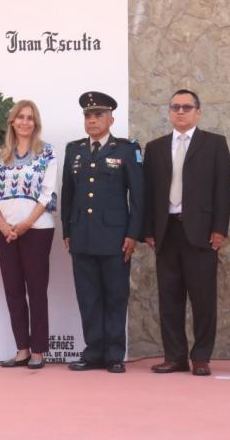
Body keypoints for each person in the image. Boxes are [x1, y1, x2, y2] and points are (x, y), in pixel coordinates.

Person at [142, 90, 230, 376]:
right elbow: (148, 192)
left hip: (201, 232)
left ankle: (201, 356)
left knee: (203, 298)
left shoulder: (214, 144)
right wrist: (148, 229)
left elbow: (223, 190)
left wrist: (220, 228)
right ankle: (175, 356)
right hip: (166, 231)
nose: (180, 112)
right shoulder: (155, 147)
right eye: (175, 107)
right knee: (169, 298)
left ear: (198, 112)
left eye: (187, 107)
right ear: (169, 112)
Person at [60, 91, 143, 373]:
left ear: (111, 119)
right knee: (88, 298)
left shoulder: (126, 149)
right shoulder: (75, 149)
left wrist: (133, 233)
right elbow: (68, 195)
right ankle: (93, 351)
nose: (92, 120)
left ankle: (114, 354)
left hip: (115, 238)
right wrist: (67, 232)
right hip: (81, 236)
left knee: (116, 296)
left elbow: (138, 197)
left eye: (98, 115)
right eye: (88, 115)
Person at [0, 100, 58, 370]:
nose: (25, 122)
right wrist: (3, 225)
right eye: (20, 117)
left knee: (36, 290)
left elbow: (48, 193)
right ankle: (22, 350)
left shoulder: (47, 153)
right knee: (13, 291)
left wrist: (26, 224)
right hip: (4, 232)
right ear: (12, 122)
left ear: (35, 123)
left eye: (30, 118)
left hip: (37, 229)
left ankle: (38, 351)